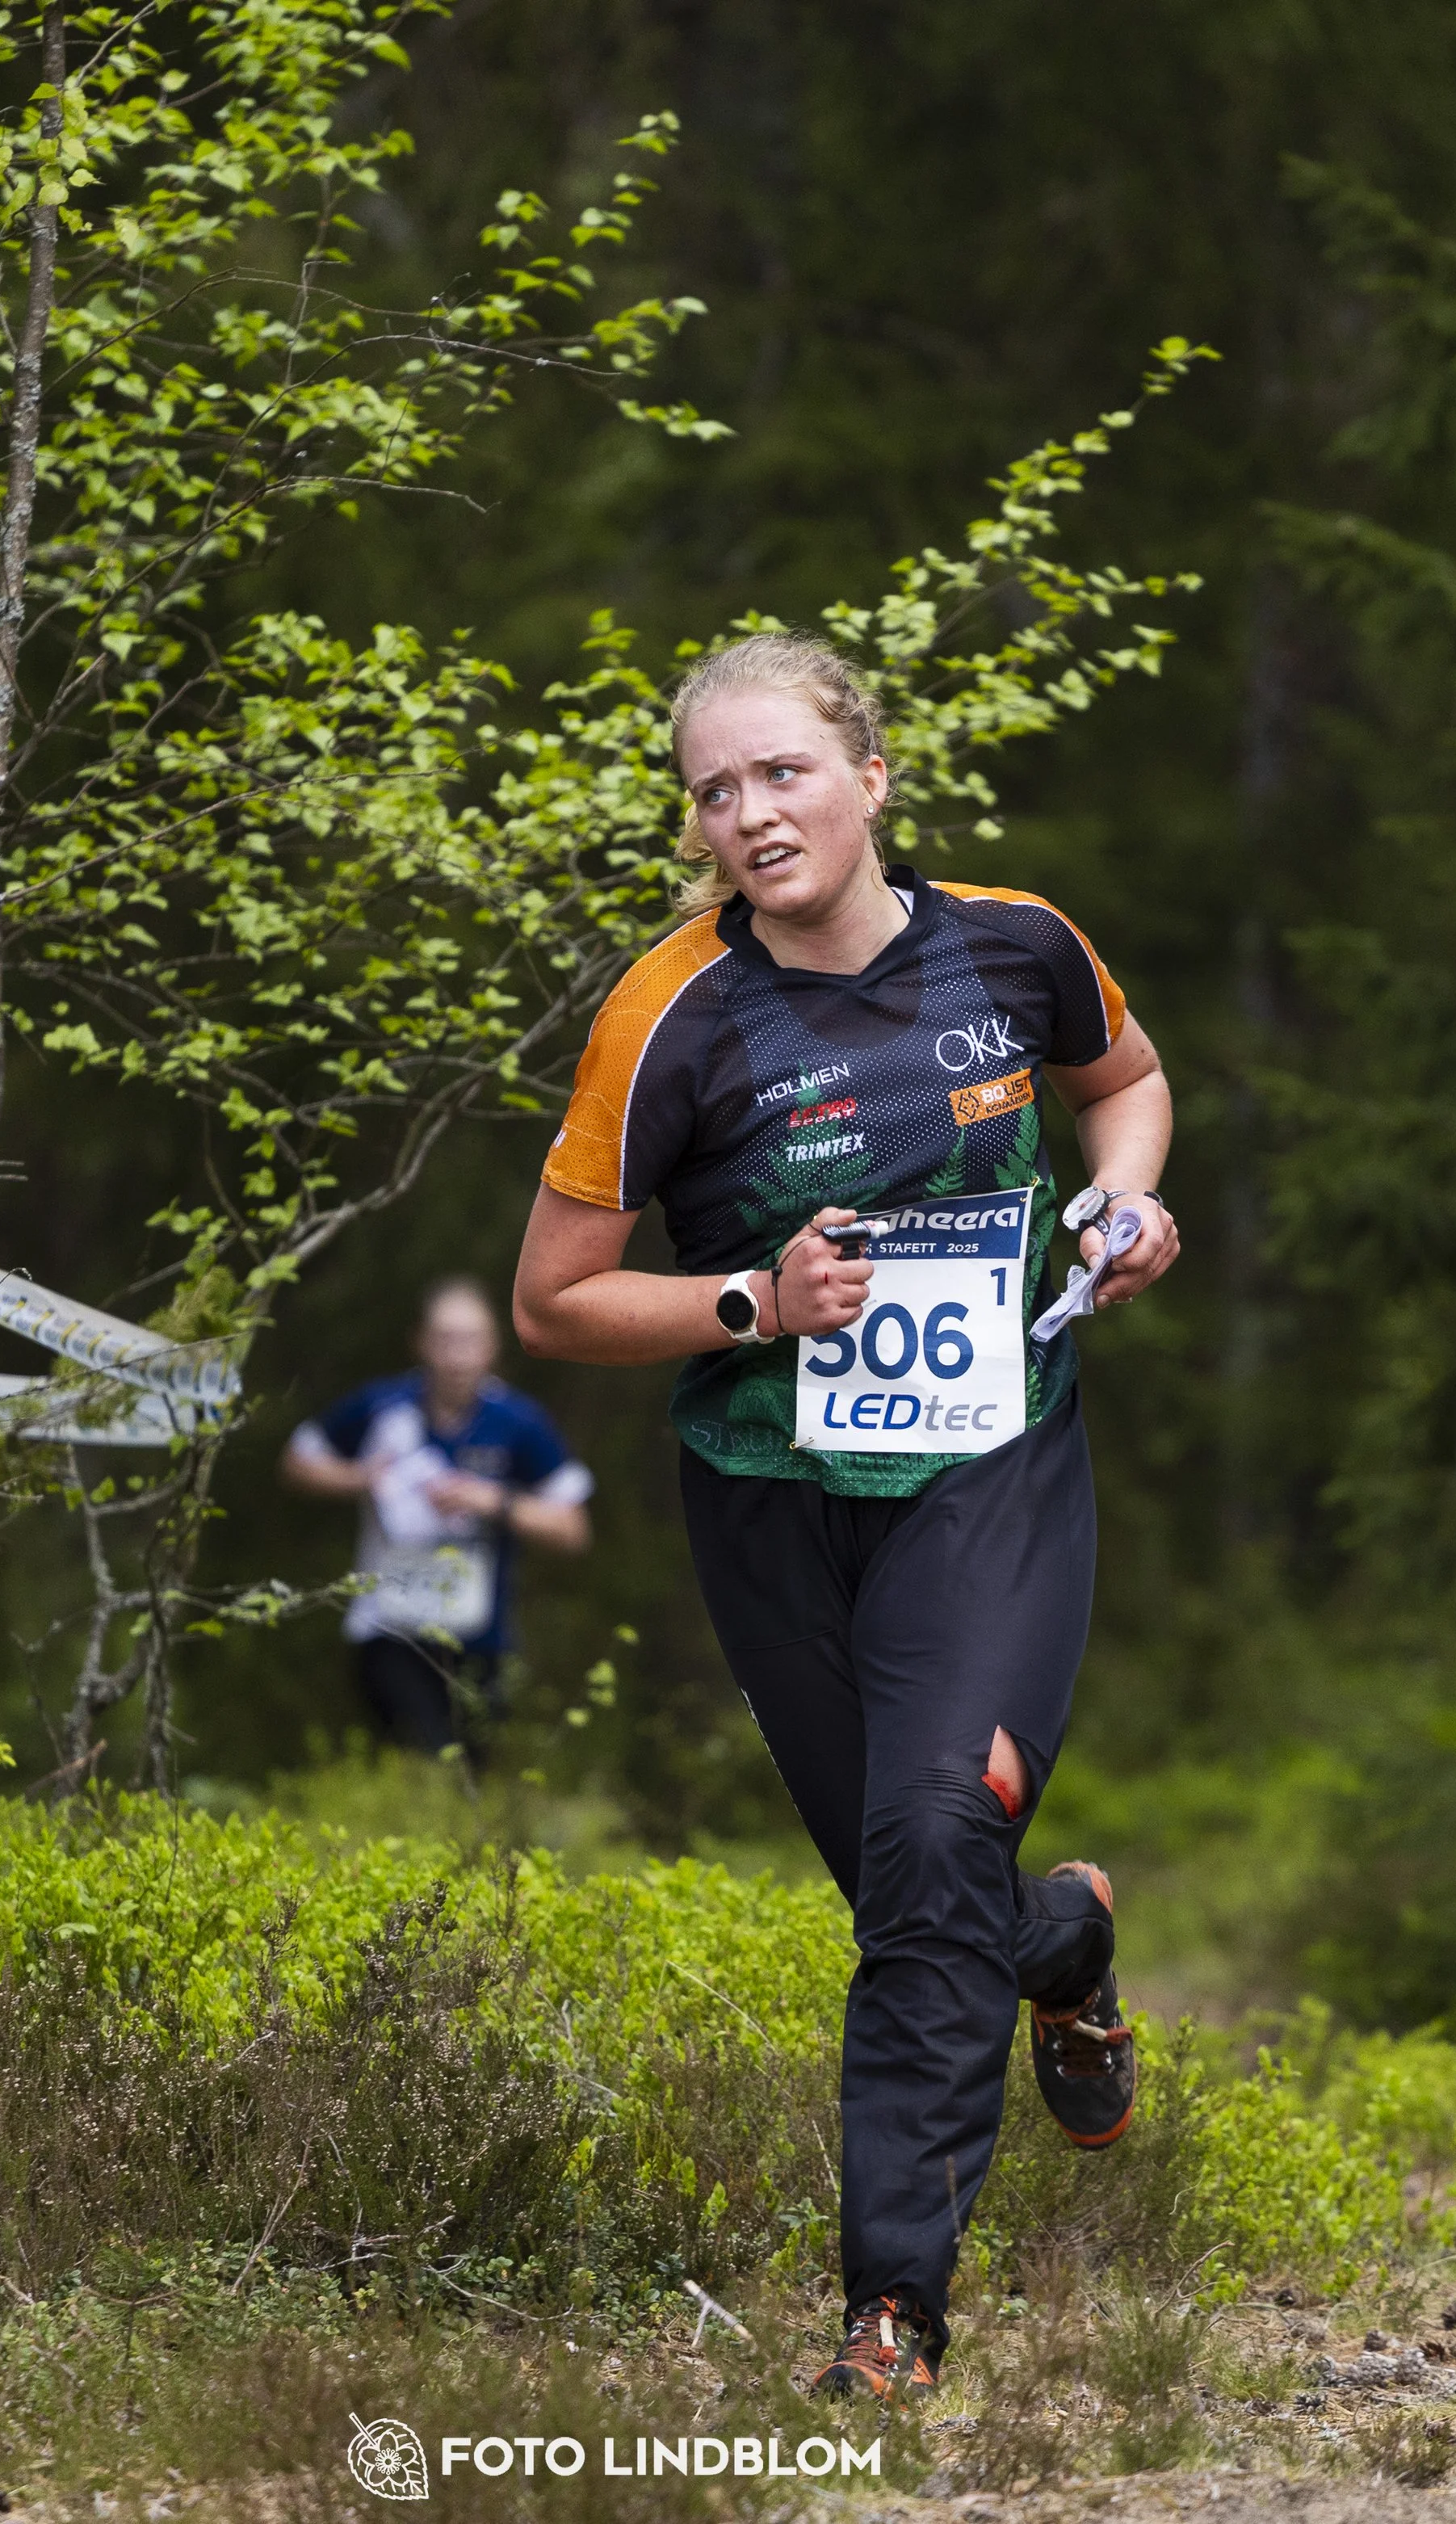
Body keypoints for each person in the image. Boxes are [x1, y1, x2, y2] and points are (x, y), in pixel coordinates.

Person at [513, 633, 1179, 2400]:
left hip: (992, 1470)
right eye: (714, 790)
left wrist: (1124, 1205)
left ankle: (892, 2310)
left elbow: (1120, 1080)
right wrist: (751, 1298)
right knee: (916, 1886)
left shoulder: (1016, 944)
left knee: (925, 1847)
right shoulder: (666, 1016)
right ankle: (1065, 1943)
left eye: (780, 772)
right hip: (770, 1497)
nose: (747, 814)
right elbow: (554, 1299)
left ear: (870, 775)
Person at [282, 1276, 594, 1757]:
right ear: (421, 1343)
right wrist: (361, 1478)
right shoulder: (382, 1407)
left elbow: (572, 1528)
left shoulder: (517, 1422)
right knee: (421, 1757)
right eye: (445, 1339)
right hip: (388, 1625)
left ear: (492, 1347)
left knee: (473, 1771)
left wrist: (491, 1501)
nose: (457, 1355)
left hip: (479, 1636)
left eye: (470, 1339)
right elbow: (297, 1462)